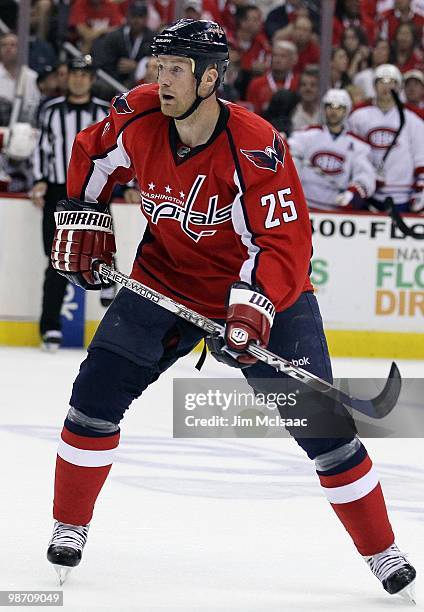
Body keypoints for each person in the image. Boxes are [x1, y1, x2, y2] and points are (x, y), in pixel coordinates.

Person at [45, 19, 415, 602]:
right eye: (157, 67)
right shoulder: (139, 115)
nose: (159, 80)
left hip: (267, 296)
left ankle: (383, 550)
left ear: (210, 76)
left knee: (328, 437)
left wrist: (251, 311)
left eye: (174, 69)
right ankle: (70, 522)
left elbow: (285, 245)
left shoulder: (257, 144)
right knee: (92, 403)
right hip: (162, 281)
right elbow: (92, 154)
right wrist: (83, 221)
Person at [30, 56, 112, 352]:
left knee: (100, 256)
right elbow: (42, 148)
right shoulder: (51, 110)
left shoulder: (105, 111)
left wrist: (126, 185)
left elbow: (119, 150)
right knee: (56, 260)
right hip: (57, 192)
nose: (78, 79)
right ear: (67, 78)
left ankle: (112, 332)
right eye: (74, 74)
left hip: (94, 193)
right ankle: (50, 326)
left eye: (84, 74)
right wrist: (38, 179)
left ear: (92, 79)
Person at [349, 63, 424, 211]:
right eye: (381, 82)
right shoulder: (359, 116)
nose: (386, 87)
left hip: (402, 194)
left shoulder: (413, 119)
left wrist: (421, 188)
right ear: (374, 85)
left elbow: (420, 156)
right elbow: (351, 153)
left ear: (399, 86)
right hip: (367, 192)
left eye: (391, 82)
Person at [288, 88, 376, 210]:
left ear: (346, 110)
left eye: (338, 107)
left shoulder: (358, 145)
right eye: (330, 106)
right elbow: (288, 153)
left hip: (336, 212)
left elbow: (365, 177)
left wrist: (352, 193)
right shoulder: (306, 135)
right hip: (304, 207)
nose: (333, 111)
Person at [91, 1, 155, 90]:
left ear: (146, 18)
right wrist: (118, 71)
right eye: (133, 16)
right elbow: (104, 62)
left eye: (140, 16)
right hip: (114, 81)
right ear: (127, 16)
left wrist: (138, 67)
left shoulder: (153, 38)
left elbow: (155, 62)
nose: (136, 20)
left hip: (142, 82)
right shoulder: (114, 36)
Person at [246, 40, 299, 115]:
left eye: (283, 56)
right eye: (275, 55)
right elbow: (251, 113)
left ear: (293, 60)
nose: (277, 59)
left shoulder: (298, 83)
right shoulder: (256, 84)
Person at [291, 66, 320, 131]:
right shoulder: (292, 113)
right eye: (303, 85)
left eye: (313, 85)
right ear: (299, 89)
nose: (308, 88)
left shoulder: (324, 113)